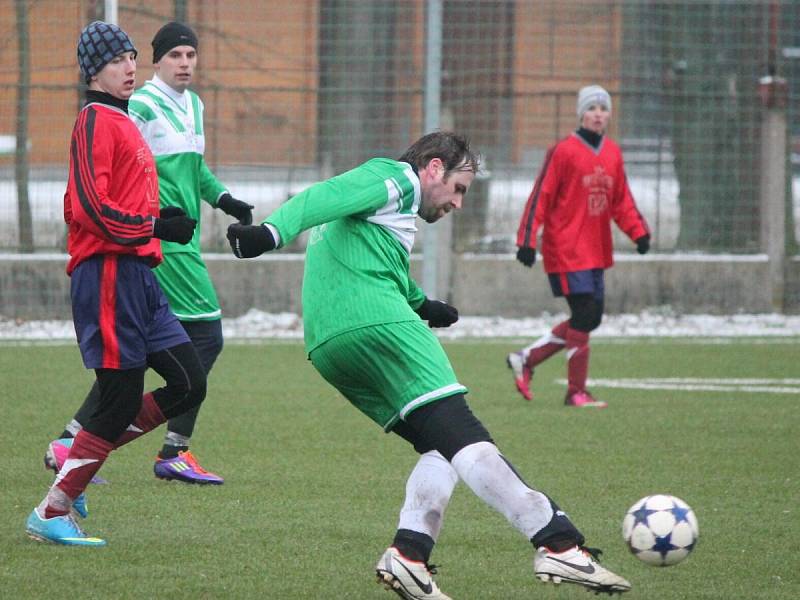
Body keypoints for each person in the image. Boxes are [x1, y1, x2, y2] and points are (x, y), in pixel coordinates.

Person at [225, 132, 631, 596]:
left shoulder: (388, 213)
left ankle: (409, 555)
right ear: (433, 168)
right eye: (459, 188)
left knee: (441, 448)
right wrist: (269, 234)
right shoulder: (394, 176)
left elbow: (381, 268)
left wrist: (423, 304)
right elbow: (322, 195)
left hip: (329, 346)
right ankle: (558, 543)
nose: (458, 203)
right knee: (467, 438)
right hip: (377, 325)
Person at [44, 21, 252, 485]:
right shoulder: (126, 109)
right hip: (139, 249)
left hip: (159, 245)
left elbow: (193, 171)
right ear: (160, 59)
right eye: (175, 55)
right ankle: (166, 449)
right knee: (194, 343)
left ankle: (74, 447)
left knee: (146, 371)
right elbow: (93, 195)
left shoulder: (191, 106)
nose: (185, 63)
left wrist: (224, 200)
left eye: (191, 55)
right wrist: (153, 223)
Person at [26, 21, 207, 546]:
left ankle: (73, 457)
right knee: (120, 396)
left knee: (188, 383)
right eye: (116, 61)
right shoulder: (94, 120)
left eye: (131, 57)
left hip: (140, 278)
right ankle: (54, 508)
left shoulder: (122, 121)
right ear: (93, 72)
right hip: (106, 274)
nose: (129, 67)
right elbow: (85, 209)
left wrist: (159, 215)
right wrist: (153, 226)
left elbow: (123, 198)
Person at [508, 85, 650, 408]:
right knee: (584, 313)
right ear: (581, 114)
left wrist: (638, 232)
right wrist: (527, 240)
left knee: (590, 318)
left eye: (603, 108)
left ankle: (526, 358)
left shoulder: (613, 153)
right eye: (592, 108)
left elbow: (621, 200)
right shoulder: (563, 151)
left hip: (596, 250)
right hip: (566, 248)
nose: (598, 113)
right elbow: (539, 197)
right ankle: (576, 392)